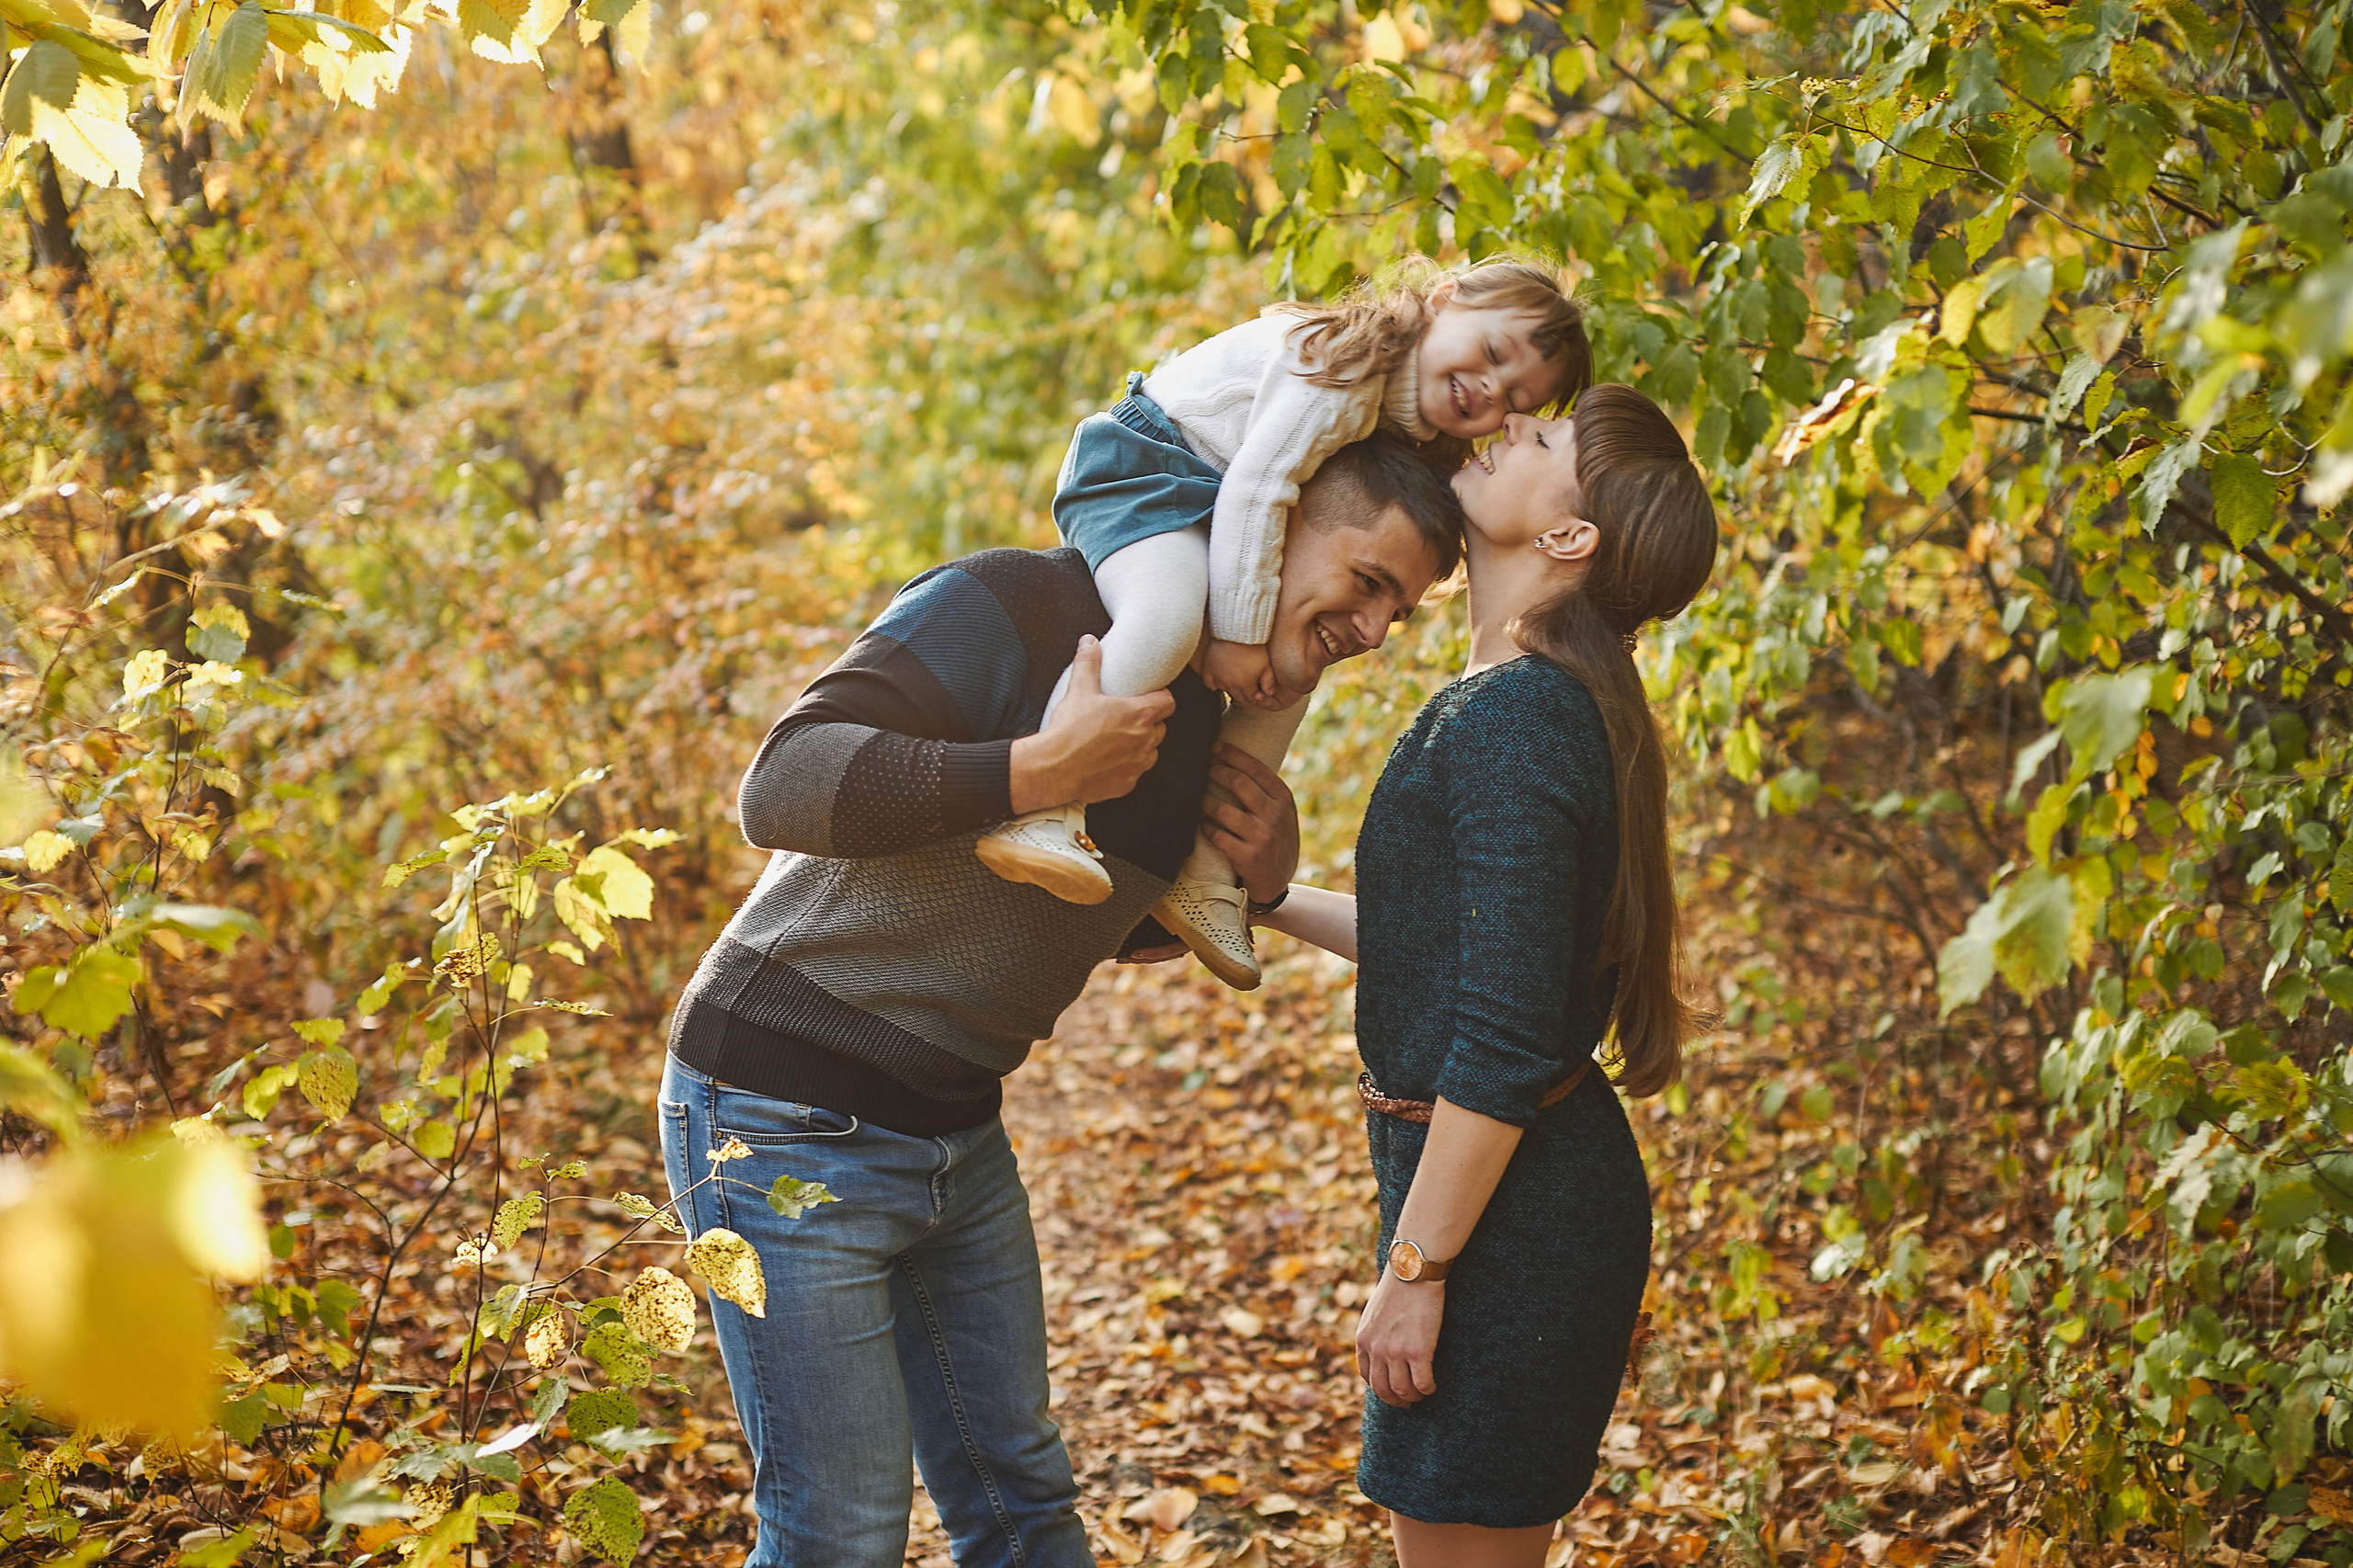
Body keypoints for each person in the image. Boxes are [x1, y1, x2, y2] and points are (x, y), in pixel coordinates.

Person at [655, 434, 1464, 1568]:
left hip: (952, 1126)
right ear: (1268, 529)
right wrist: (1035, 770)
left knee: (1024, 1507)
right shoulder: (1023, 603)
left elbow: (1090, 920)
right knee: (835, 1538)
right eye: (1367, 581)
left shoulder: (1210, 716)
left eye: (1400, 613)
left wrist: (1261, 881)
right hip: (776, 1103)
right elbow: (780, 783)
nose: (1374, 630)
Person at [1255, 385, 1720, 1565]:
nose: (1509, 429)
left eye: (1546, 439)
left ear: (1569, 536)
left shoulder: (1518, 719)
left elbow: (1506, 1034)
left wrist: (1416, 1269)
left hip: (1506, 1222)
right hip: (1491, 1198)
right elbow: (1459, 950)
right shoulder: (1519, 702)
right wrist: (1263, 903)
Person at [974, 256, 1592, 994]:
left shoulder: (1408, 414)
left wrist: (1265, 651)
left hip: (1211, 493)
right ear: (1445, 299)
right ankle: (1046, 797)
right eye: (1492, 354)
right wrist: (1236, 638)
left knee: (1289, 682)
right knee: (1168, 617)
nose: (1490, 388)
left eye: (1517, 394)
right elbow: (1260, 488)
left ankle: (1205, 869)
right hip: (1148, 465)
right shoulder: (1340, 366)